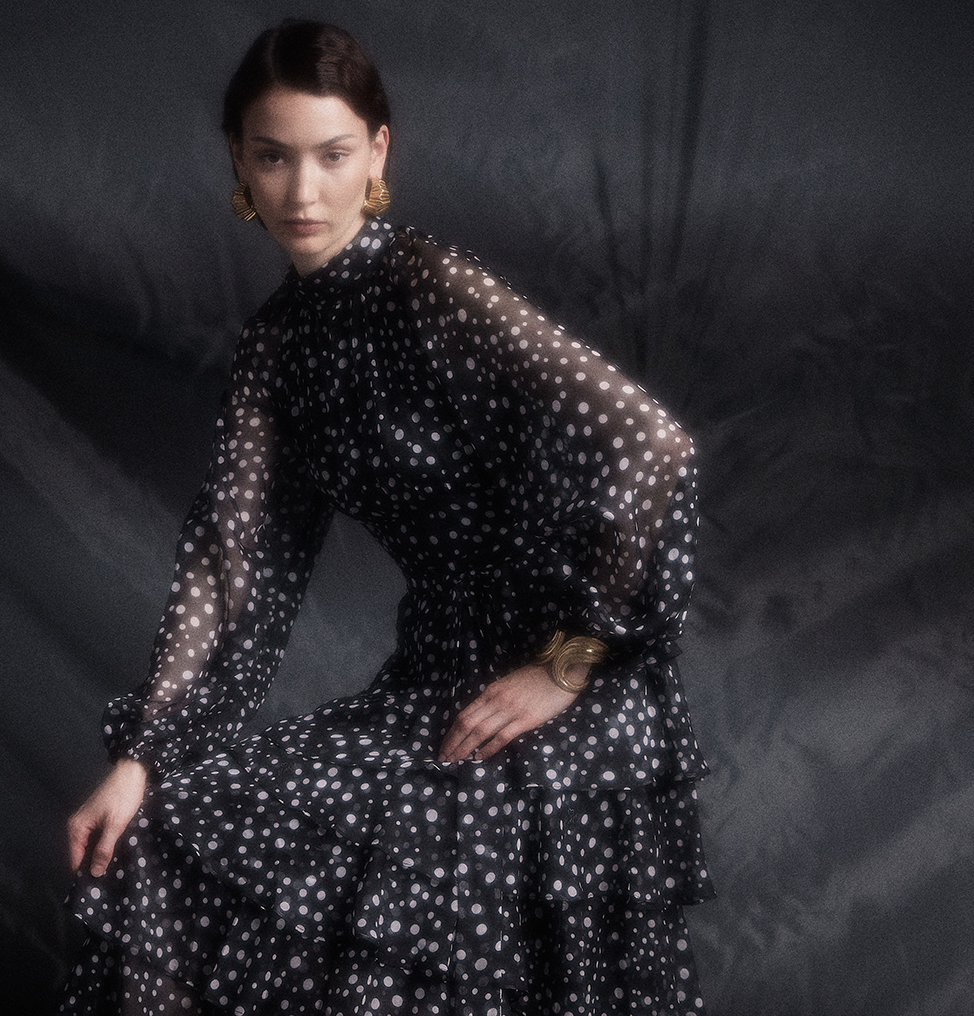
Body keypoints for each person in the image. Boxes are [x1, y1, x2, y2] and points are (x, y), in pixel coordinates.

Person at [60, 18, 711, 1016]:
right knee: (155, 834)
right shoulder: (276, 350)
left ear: (378, 153)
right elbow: (233, 571)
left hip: (565, 701)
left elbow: (654, 446)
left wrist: (565, 664)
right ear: (237, 160)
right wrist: (142, 757)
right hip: (433, 685)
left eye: (331, 155)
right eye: (273, 157)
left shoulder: (433, 290)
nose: (302, 192)